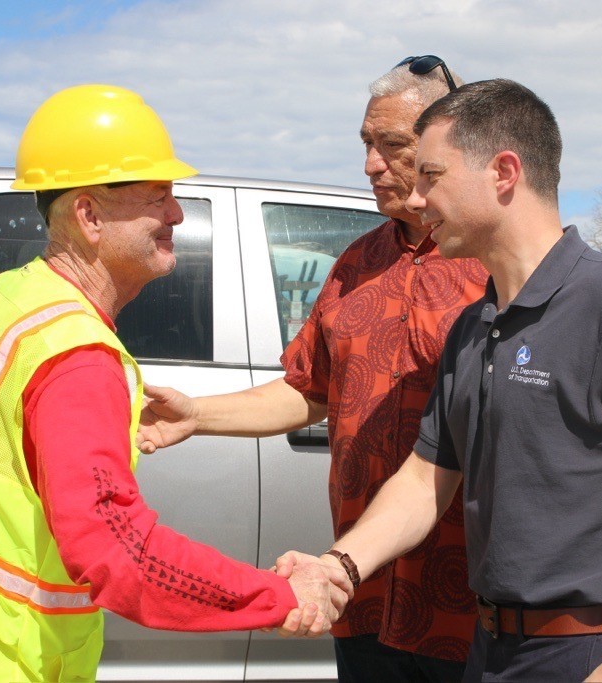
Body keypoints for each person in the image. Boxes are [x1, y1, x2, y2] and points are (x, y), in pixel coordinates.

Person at [0, 84, 350, 683]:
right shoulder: (76, 357)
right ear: (88, 215)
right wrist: (278, 595)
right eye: (157, 196)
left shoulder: (3, 300)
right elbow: (121, 552)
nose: (177, 214)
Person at [277, 79, 602, 681]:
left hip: (589, 655)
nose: (417, 198)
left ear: (504, 172)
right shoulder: (477, 324)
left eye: (431, 175)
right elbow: (427, 479)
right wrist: (337, 568)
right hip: (490, 651)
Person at [138, 57, 487, 682]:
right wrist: (197, 416)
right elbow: (310, 390)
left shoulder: (491, 263)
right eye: (366, 144)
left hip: (470, 602)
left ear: (446, 145)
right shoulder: (356, 263)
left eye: (392, 146)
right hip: (360, 589)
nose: (370, 164)